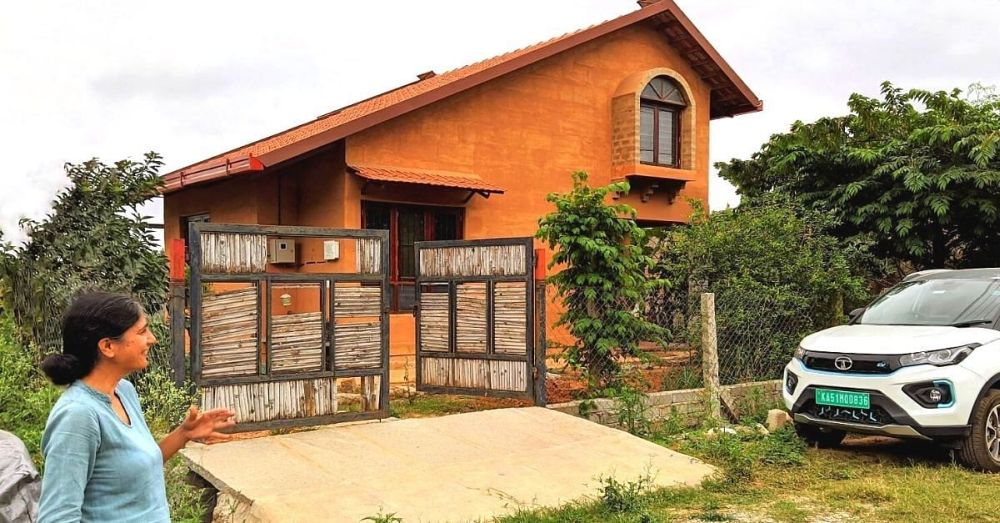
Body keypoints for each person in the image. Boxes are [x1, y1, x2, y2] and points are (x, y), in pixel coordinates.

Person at [37, 291, 235, 522]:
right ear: (108, 346)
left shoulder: (124, 391)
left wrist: (184, 434)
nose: (152, 339)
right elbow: (56, 517)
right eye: (142, 331)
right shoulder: (78, 415)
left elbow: (135, 468)